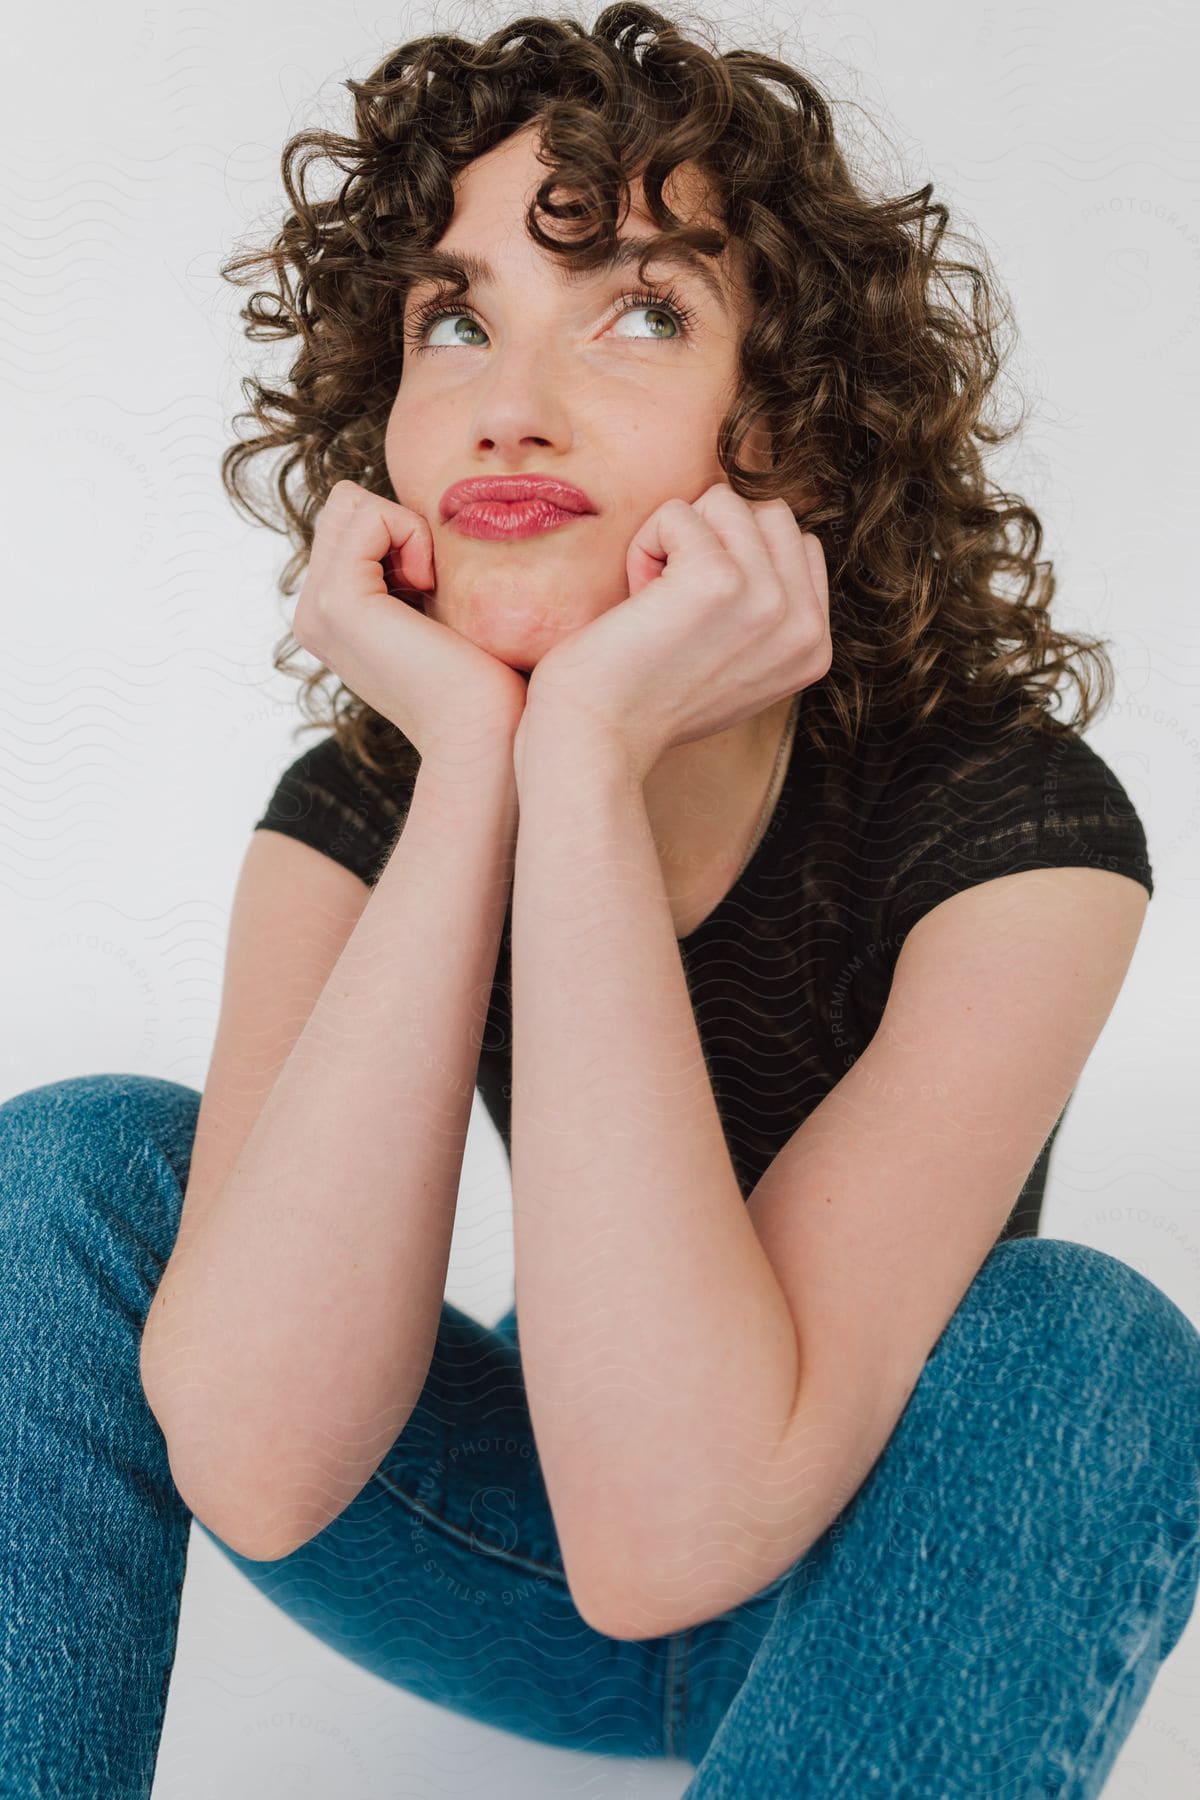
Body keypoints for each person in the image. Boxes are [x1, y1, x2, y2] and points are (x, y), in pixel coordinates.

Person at [2, 7, 1197, 1796]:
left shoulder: (1013, 823)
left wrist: (587, 762)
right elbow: (255, 1463)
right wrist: (484, 765)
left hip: (900, 1594)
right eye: (458, 317)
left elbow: (682, 1528)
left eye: (643, 311)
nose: (508, 402)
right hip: (515, 1554)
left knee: (1090, 1347)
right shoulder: (362, 810)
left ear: (791, 429)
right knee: (77, 1162)